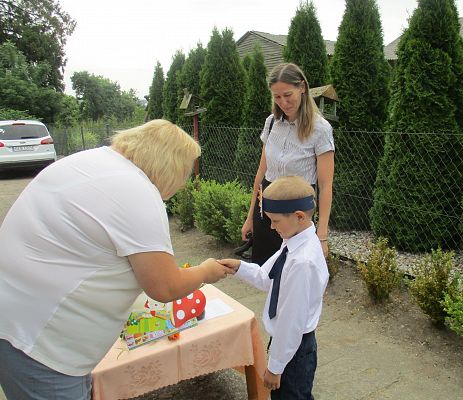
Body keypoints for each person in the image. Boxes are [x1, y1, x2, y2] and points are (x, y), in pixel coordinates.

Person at [0, 119, 234, 400]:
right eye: (185, 172)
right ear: (169, 164)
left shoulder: (86, 161)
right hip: (43, 348)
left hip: (15, 321)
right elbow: (165, 286)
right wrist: (206, 271)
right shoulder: (138, 192)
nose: (183, 183)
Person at [220, 175, 329, 399]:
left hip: (294, 348)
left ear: (299, 216)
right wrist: (239, 267)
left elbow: (291, 321)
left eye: (275, 221)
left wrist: (275, 367)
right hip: (287, 343)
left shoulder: (302, 262)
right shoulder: (293, 242)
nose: (271, 226)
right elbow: (265, 276)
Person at [242, 63, 335, 265]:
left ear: (302, 87)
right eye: (277, 97)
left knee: (293, 272)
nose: (283, 102)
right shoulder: (271, 123)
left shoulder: (321, 129)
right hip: (266, 207)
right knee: (266, 271)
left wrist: (322, 234)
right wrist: (250, 218)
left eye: (287, 94)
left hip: (297, 213)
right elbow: (260, 173)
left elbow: (326, 185)